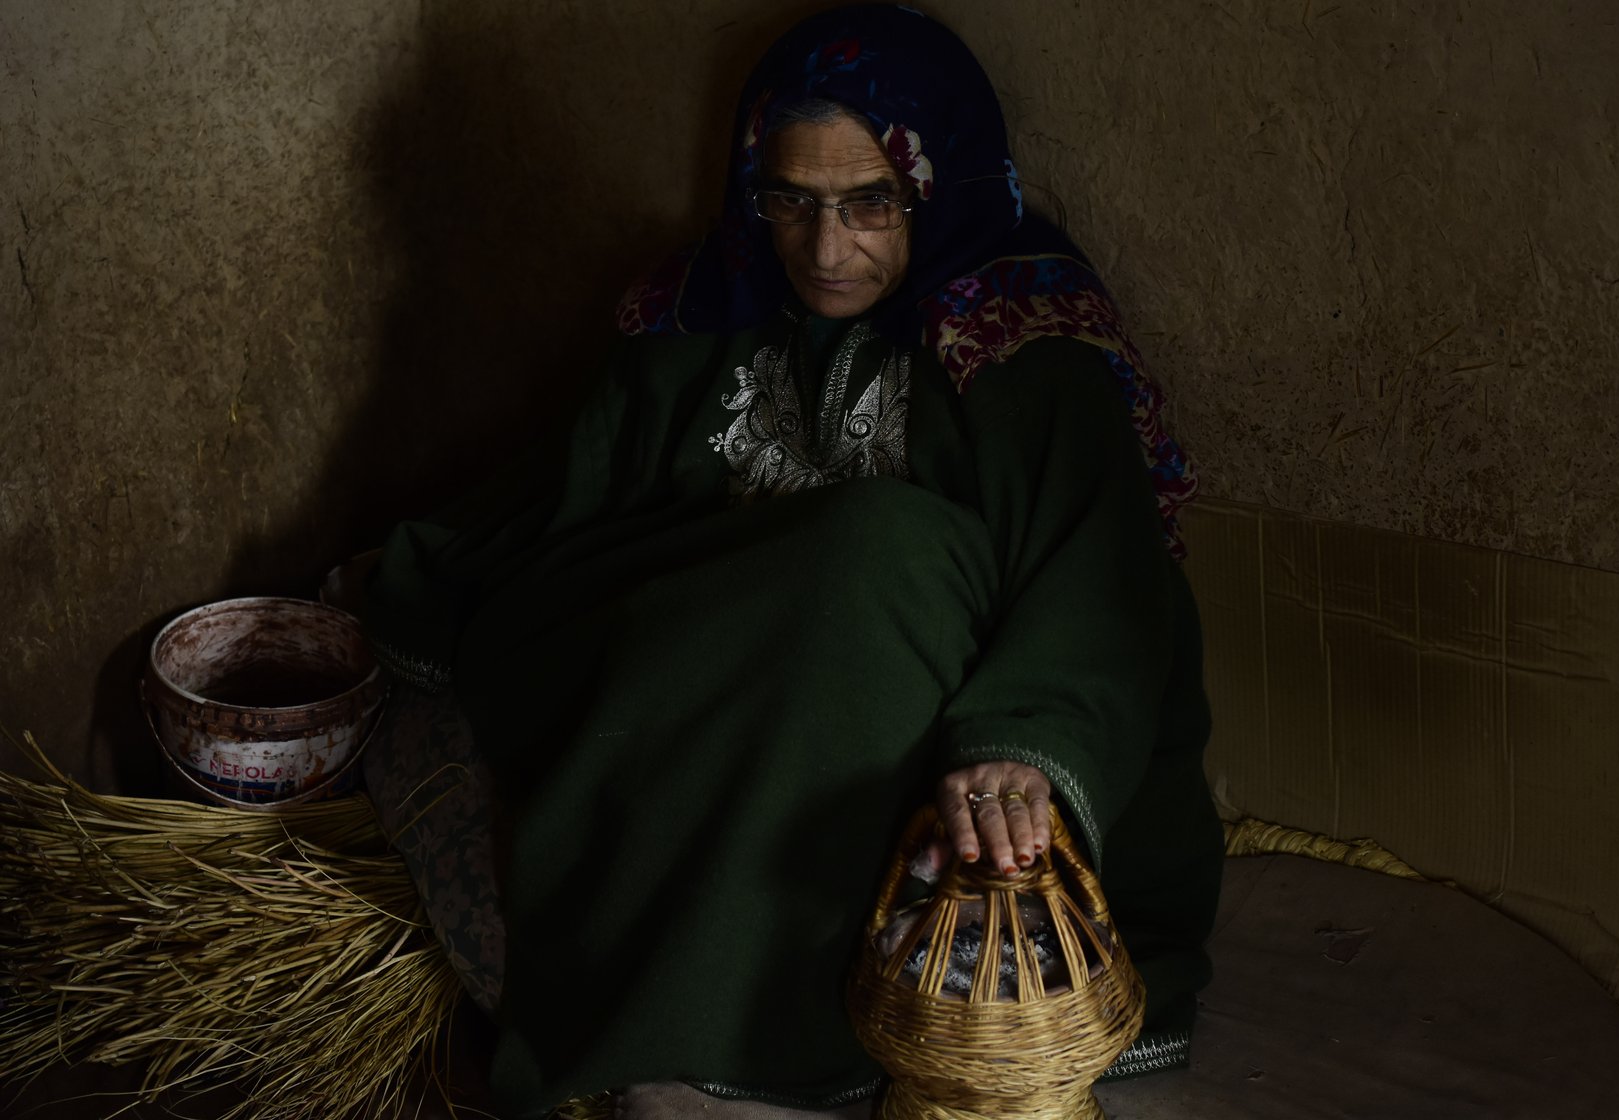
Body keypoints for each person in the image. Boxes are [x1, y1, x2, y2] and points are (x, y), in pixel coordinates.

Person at [360, 5, 1223, 1115]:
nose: (826, 250)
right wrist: (416, 591)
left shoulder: (1024, 350)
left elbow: (1099, 578)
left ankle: (824, 1005)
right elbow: (570, 510)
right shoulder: (698, 314)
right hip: (710, 715)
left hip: (913, 748)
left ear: (936, 185)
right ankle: (662, 970)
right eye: (792, 202)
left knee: (881, 548)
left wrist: (1024, 748)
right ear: (750, 184)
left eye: (871, 204)